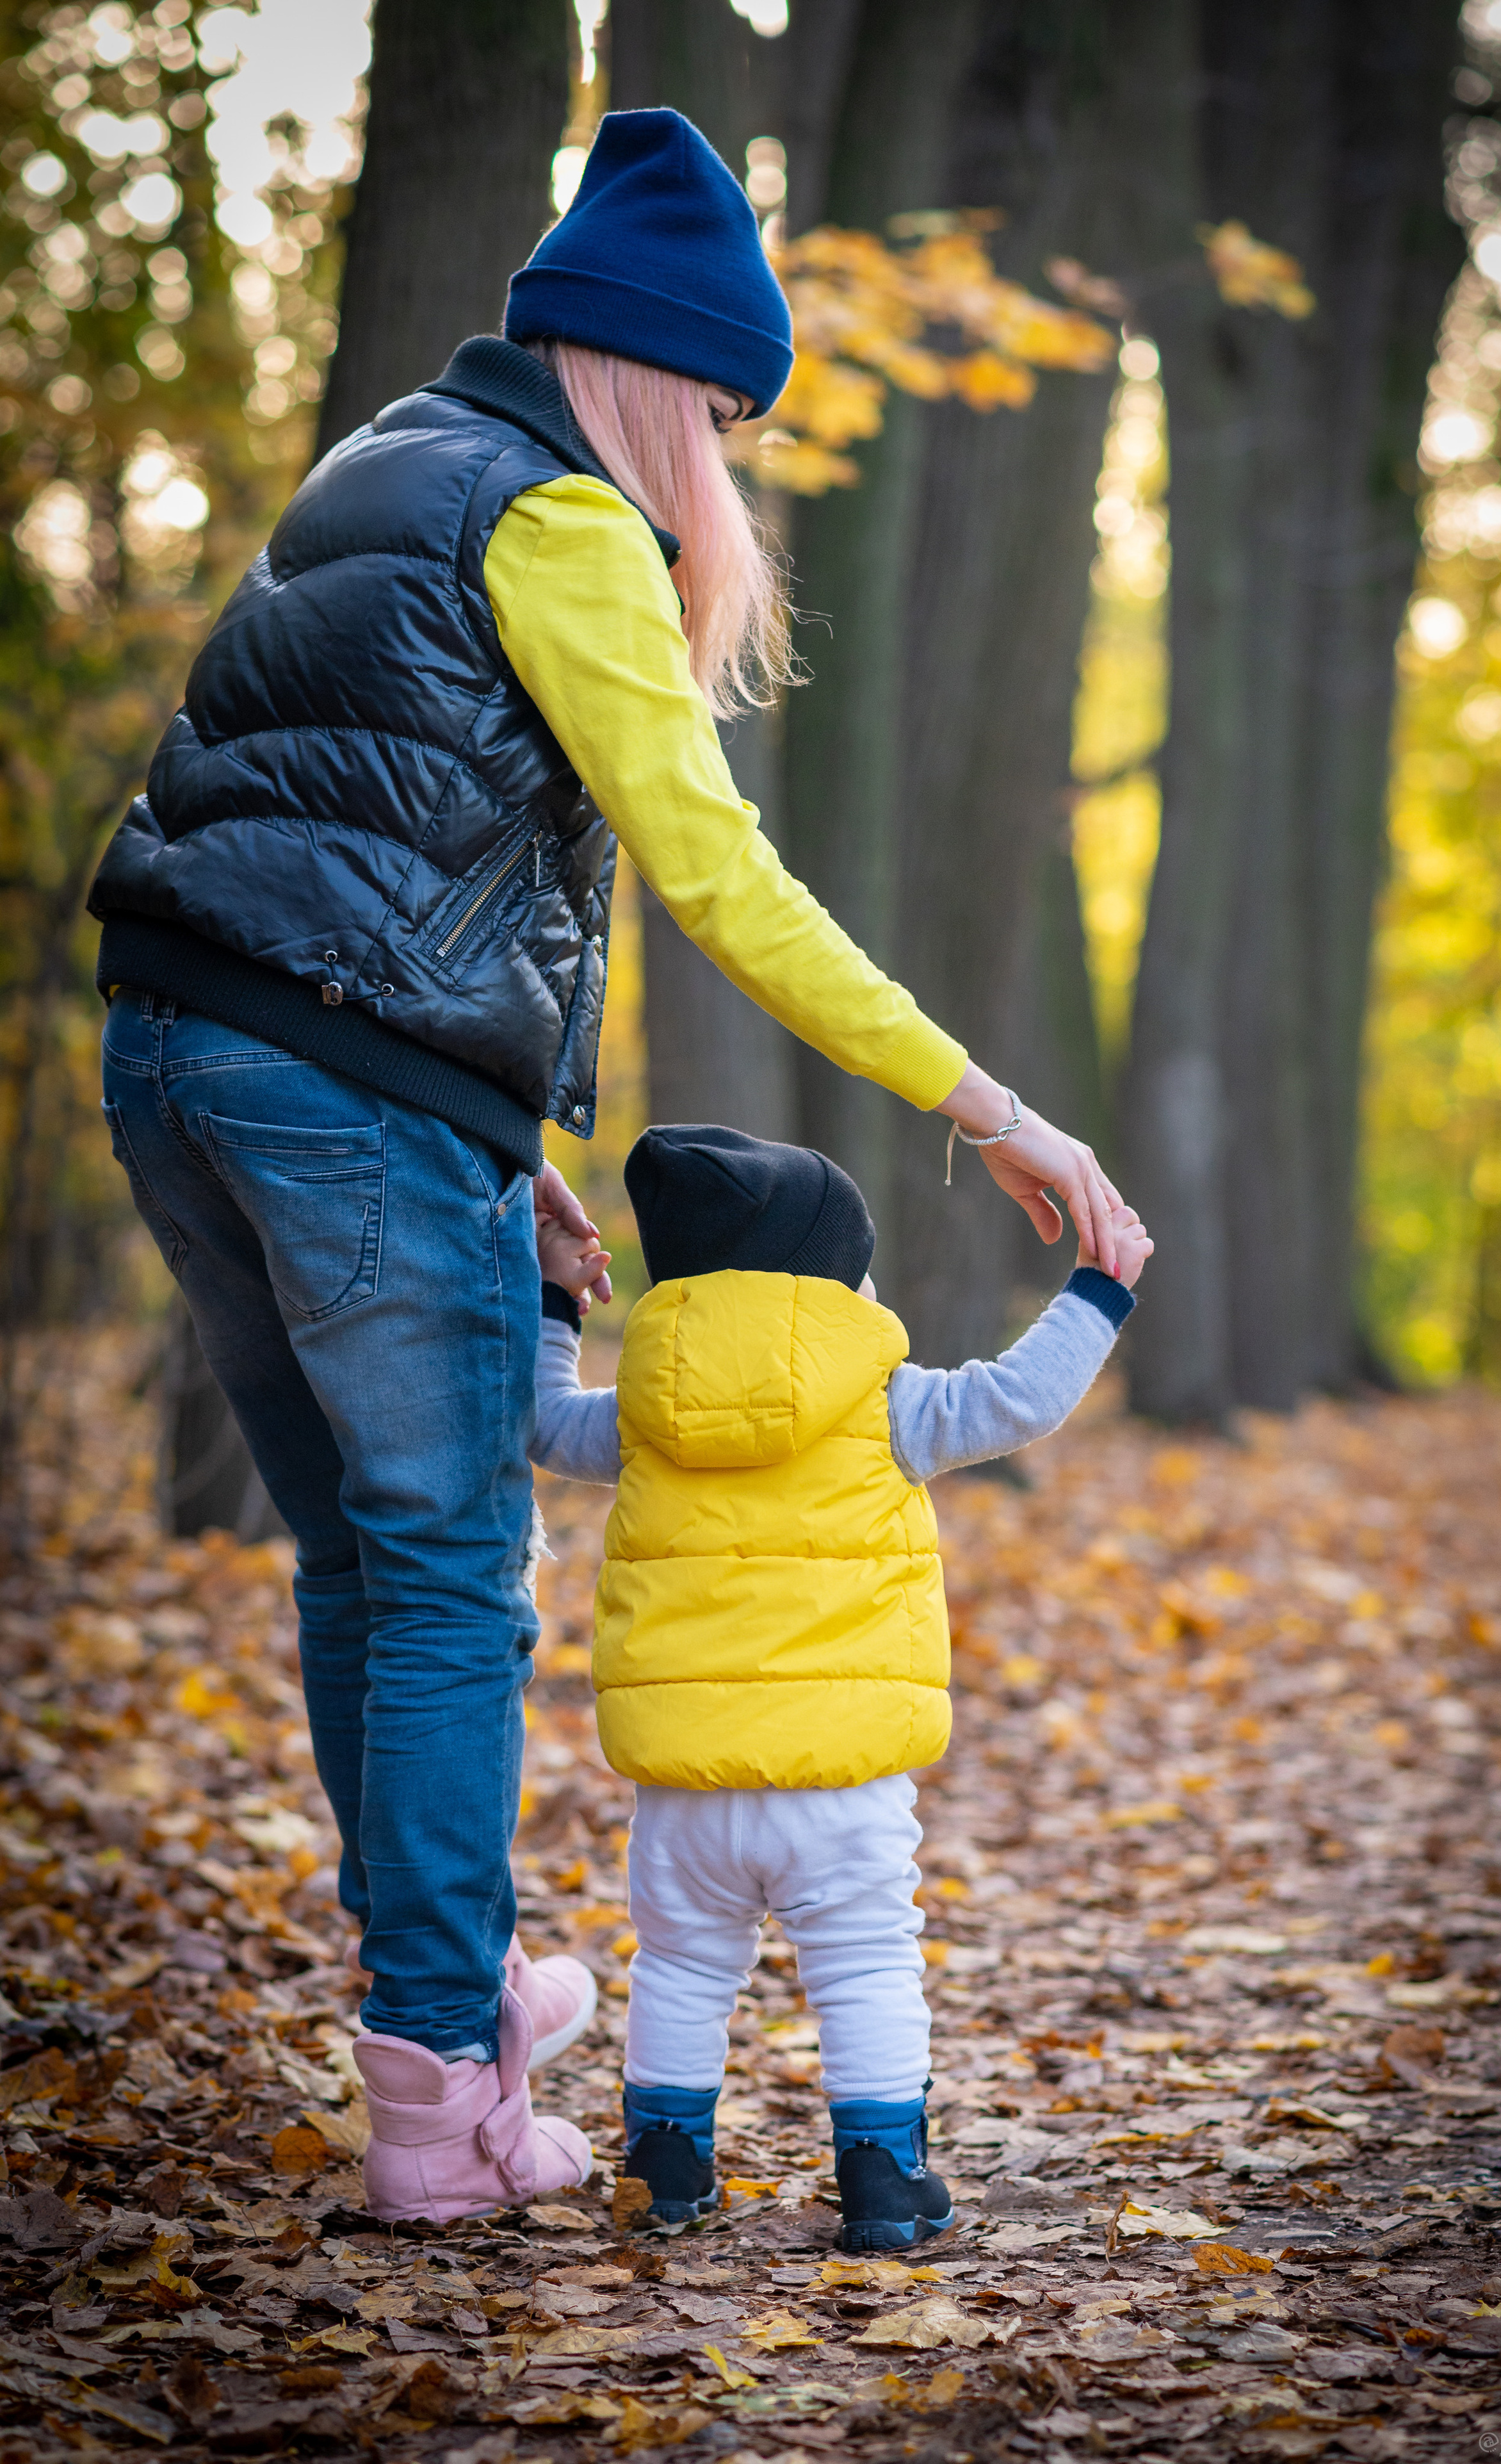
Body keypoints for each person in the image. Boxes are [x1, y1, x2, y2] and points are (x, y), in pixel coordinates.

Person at [89, 106, 1124, 2223]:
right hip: (341, 1091)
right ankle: (441, 2095)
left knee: (358, 1554)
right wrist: (991, 1105)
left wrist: (511, 1148)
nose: (718, 474)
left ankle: (445, 2014)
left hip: (180, 1056)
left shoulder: (389, 454)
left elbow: (364, 846)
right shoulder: (561, 518)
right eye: (723, 421)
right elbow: (716, 878)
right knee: (455, 1558)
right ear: (661, 375)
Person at [528, 1125, 1150, 2249]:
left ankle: (664, 2172)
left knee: (678, 1964)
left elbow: (538, 1422)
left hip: (685, 1786)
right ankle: (882, 2180)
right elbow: (1017, 1401)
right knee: (865, 1964)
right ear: (831, 1281)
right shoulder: (883, 1401)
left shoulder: (647, 1410)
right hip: (842, 1785)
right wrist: (1098, 1293)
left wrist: (557, 1309)